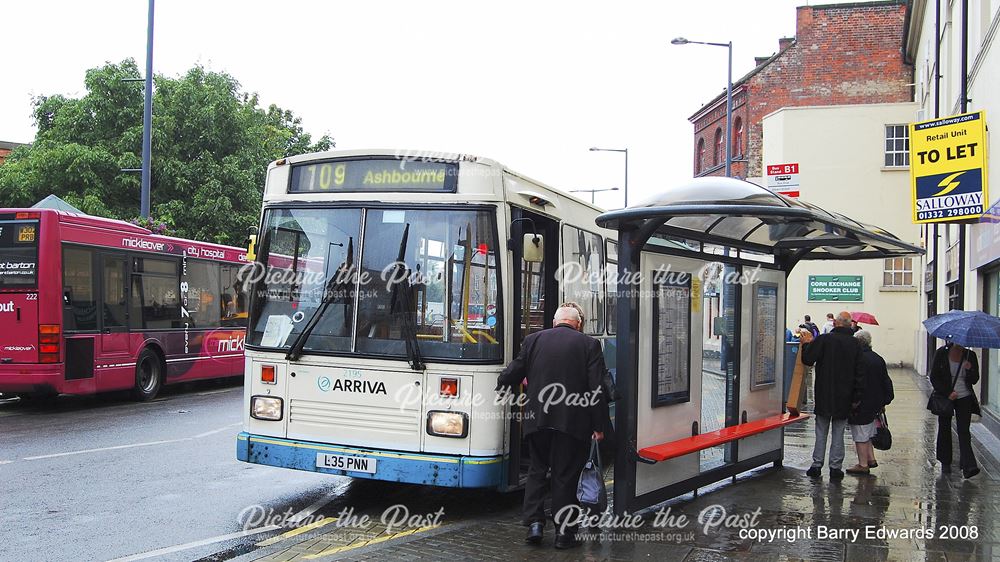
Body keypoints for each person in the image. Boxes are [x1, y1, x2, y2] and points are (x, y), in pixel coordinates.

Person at [496, 304, 608, 549]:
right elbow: (596, 388)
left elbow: (513, 372)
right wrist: (599, 426)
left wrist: (502, 383)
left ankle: (535, 525)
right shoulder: (589, 345)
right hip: (571, 424)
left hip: (538, 422)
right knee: (564, 476)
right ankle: (564, 535)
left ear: (555, 322)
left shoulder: (534, 340)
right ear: (577, 324)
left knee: (537, 470)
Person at [801, 311, 865, 479]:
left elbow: (808, 359)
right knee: (839, 431)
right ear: (849, 324)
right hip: (845, 395)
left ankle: (816, 465)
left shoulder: (824, 340)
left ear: (835, 323)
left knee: (821, 431)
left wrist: (806, 344)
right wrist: (856, 397)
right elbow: (860, 372)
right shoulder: (855, 344)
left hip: (824, 393)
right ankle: (835, 467)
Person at [929, 342, 981, 478]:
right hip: (946, 397)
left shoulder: (970, 355)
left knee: (964, 430)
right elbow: (934, 376)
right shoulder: (941, 353)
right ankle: (945, 462)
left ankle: (969, 465)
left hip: (965, 397)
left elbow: (975, 379)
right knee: (944, 427)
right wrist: (947, 392)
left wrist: (970, 370)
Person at [846, 330, 894, 475]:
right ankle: (871, 458)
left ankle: (863, 464)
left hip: (862, 402)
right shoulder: (877, 358)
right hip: (876, 402)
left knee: (860, 433)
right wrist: (885, 400)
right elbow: (886, 381)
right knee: (869, 430)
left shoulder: (858, 359)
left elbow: (857, 383)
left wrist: (854, 401)